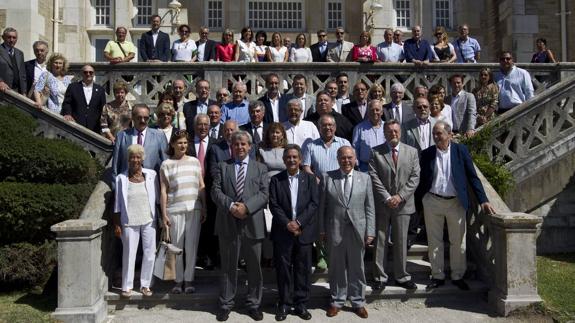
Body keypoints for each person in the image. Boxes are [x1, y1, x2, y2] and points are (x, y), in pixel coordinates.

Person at [417, 121, 496, 291]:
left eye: (440, 133)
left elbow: (473, 177)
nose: (436, 137)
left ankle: (457, 276)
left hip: (455, 202)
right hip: (432, 201)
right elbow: (420, 179)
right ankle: (437, 275)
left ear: (449, 135)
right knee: (434, 241)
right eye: (434, 134)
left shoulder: (461, 151)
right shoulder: (426, 154)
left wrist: (483, 200)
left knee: (458, 241)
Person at [211, 131, 269, 322]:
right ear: (231, 147)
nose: (240, 147)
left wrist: (246, 207)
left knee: (254, 267)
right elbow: (215, 190)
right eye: (236, 145)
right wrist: (231, 206)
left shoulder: (260, 167)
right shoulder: (223, 166)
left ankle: (253, 304)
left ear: (250, 147)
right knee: (228, 266)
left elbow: (264, 194)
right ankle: (226, 304)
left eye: (243, 144)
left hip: (252, 223)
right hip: (228, 222)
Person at [320, 146, 375, 319]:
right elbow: (322, 207)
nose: (346, 161)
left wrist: (370, 231)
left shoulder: (365, 178)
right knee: (336, 267)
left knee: (357, 266)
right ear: (337, 159)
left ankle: (358, 301)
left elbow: (370, 208)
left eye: (350, 157)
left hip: (357, 229)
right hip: (334, 228)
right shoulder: (327, 178)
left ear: (355, 158)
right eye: (343, 158)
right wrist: (321, 229)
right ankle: (337, 301)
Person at [269, 144, 319, 321]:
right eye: (288, 157)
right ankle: (284, 303)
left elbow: (314, 203)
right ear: (284, 160)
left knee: (303, 269)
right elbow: (273, 204)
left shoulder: (310, 179)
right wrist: (287, 224)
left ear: (300, 160)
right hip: (283, 232)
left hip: (304, 231)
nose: (291, 160)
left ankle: (301, 304)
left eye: (294, 157)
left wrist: (298, 223)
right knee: (283, 269)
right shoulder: (276, 180)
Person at [369, 120, 420, 291]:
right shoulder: (376, 152)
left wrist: (400, 196)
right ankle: (380, 277)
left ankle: (402, 276)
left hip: (403, 204)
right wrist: (387, 197)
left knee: (401, 240)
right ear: (384, 132)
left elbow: (415, 178)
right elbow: (373, 176)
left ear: (401, 132)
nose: (393, 134)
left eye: (396, 131)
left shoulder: (412, 152)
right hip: (383, 204)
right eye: (389, 131)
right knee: (381, 241)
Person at [160, 130, 206, 294]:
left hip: (194, 209)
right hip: (174, 210)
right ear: (172, 144)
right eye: (179, 142)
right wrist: (164, 213)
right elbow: (163, 191)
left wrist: (204, 207)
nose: (183, 145)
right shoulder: (166, 164)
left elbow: (201, 186)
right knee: (177, 248)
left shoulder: (195, 162)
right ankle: (178, 281)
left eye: (185, 142)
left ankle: (189, 280)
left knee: (191, 247)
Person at [113, 144, 158, 298]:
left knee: (150, 253)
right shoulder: (121, 178)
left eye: (138, 157)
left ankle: (146, 285)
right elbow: (117, 204)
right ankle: (127, 286)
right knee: (129, 254)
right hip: (129, 221)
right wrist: (117, 224)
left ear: (142, 158)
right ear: (128, 159)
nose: (135, 160)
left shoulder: (151, 175)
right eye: (132, 157)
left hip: (148, 220)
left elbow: (157, 198)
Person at [111, 104, 168, 183]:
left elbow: (166, 164)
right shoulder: (122, 136)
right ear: (133, 118)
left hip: (152, 185)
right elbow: (115, 165)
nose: (143, 121)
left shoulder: (159, 136)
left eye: (146, 118)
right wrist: (115, 189)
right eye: (139, 117)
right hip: (127, 184)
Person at [257, 122, 288, 268]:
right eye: (272, 133)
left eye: (278, 132)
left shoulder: (288, 150)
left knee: (283, 224)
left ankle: (281, 255)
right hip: (267, 191)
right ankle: (268, 256)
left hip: (285, 191)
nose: (275, 135)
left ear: (282, 134)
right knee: (268, 226)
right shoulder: (262, 151)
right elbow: (258, 172)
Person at [61, 65, 107, 133]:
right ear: (82, 74)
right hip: (76, 124)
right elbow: (67, 103)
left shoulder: (100, 89)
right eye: (85, 72)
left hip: (94, 127)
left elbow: (103, 108)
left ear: (94, 74)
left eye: (90, 72)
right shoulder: (73, 87)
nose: (88, 74)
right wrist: (68, 114)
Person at [352, 100, 386, 172]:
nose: (375, 112)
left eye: (377, 110)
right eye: (372, 110)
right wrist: (357, 167)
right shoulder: (359, 128)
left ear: (382, 112)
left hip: (384, 167)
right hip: (365, 168)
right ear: (368, 112)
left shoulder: (387, 127)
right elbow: (355, 148)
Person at [0, 27, 26, 94]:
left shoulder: (20, 53)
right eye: (9, 37)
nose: (12, 40)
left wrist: (24, 92)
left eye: (14, 38)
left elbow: (22, 75)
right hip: (2, 91)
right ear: (3, 37)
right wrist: (0, 82)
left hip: (17, 92)